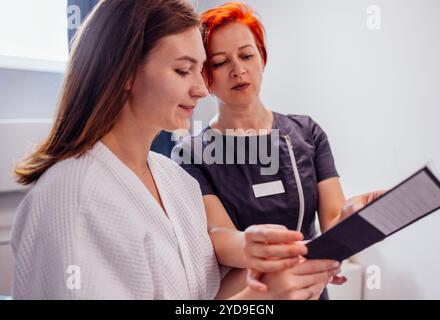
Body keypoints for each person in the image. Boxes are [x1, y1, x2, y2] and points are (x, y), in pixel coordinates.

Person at [11, 0, 340, 300]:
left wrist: (273, 281)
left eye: (200, 70)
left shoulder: (175, 182)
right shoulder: (73, 197)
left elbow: (202, 301)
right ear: (125, 71)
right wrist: (264, 300)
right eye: (183, 70)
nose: (200, 89)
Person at [172, 1, 384, 298]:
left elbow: (333, 221)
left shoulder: (307, 133)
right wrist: (282, 258)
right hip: (252, 295)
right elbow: (221, 243)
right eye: (220, 62)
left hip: (309, 291)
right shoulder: (192, 153)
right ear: (205, 75)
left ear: (262, 59)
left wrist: (352, 217)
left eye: (247, 55)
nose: (238, 70)